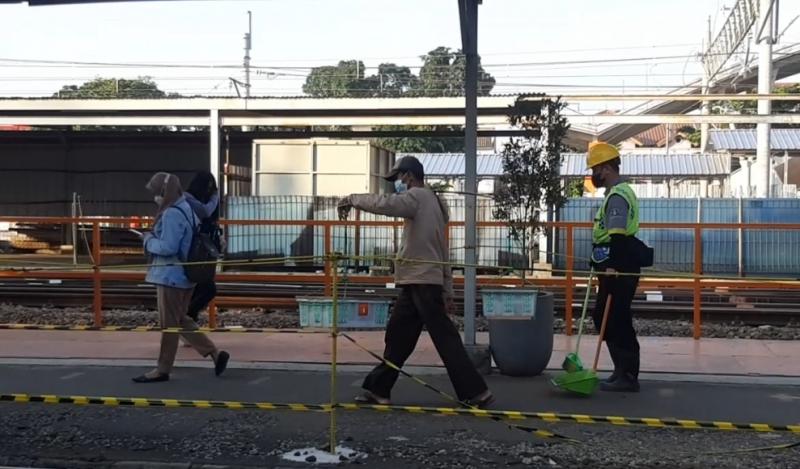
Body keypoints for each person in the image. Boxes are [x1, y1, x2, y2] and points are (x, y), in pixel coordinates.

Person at [337, 156, 493, 408]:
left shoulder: (417, 198)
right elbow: (443, 250)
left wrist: (352, 199)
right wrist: (447, 289)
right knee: (399, 336)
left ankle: (476, 392)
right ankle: (379, 389)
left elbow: (385, 204)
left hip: (420, 280)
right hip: (419, 281)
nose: (398, 183)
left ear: (409, 176)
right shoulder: (434, 202)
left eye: (399, 178)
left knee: (444, 338)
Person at [132, 172, 229, 383]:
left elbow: (168, 247)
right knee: (180, 320)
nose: (156, 197)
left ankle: (162, 369)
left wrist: (148, 240)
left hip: (170, 276)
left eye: (157, 193)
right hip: (185, 275)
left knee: (169, 326)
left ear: (164, 192)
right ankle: (215, 353)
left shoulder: (171, 214)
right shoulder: (187, 209)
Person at [587, 142, 642, 392]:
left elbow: (617, 236)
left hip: (618, 268)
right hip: (614, 266)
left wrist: (612, 267)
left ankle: (627, 375)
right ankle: (621, 370)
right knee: (608, 317)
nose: (593, 175)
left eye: (595, 169)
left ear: (606, 169)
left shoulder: (618, 196)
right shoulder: (616, 194)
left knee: (615, 319)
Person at [184, 171, 222, 326]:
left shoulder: (193, 200)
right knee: (206, 287)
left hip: (202, 251)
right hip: (194, 251)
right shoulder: (188, 199)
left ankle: (189, 321)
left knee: (201, 287)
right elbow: (205, 211)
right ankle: (188, 318)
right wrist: (215, 197)